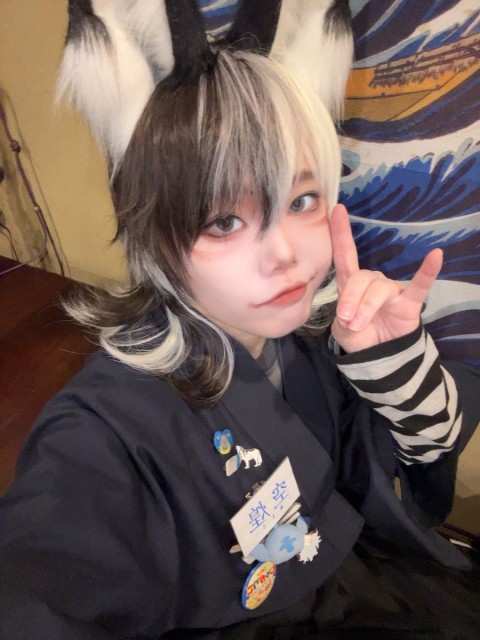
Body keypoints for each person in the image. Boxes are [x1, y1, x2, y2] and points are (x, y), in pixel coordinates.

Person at [1, 3, 479, 639]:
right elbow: (42, 580)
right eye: (224, 220)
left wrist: (395, 372)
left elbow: (411, 477)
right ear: (154, 237)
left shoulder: (314, 340)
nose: (286, 254)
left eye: (301, 200)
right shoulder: (103, 434)